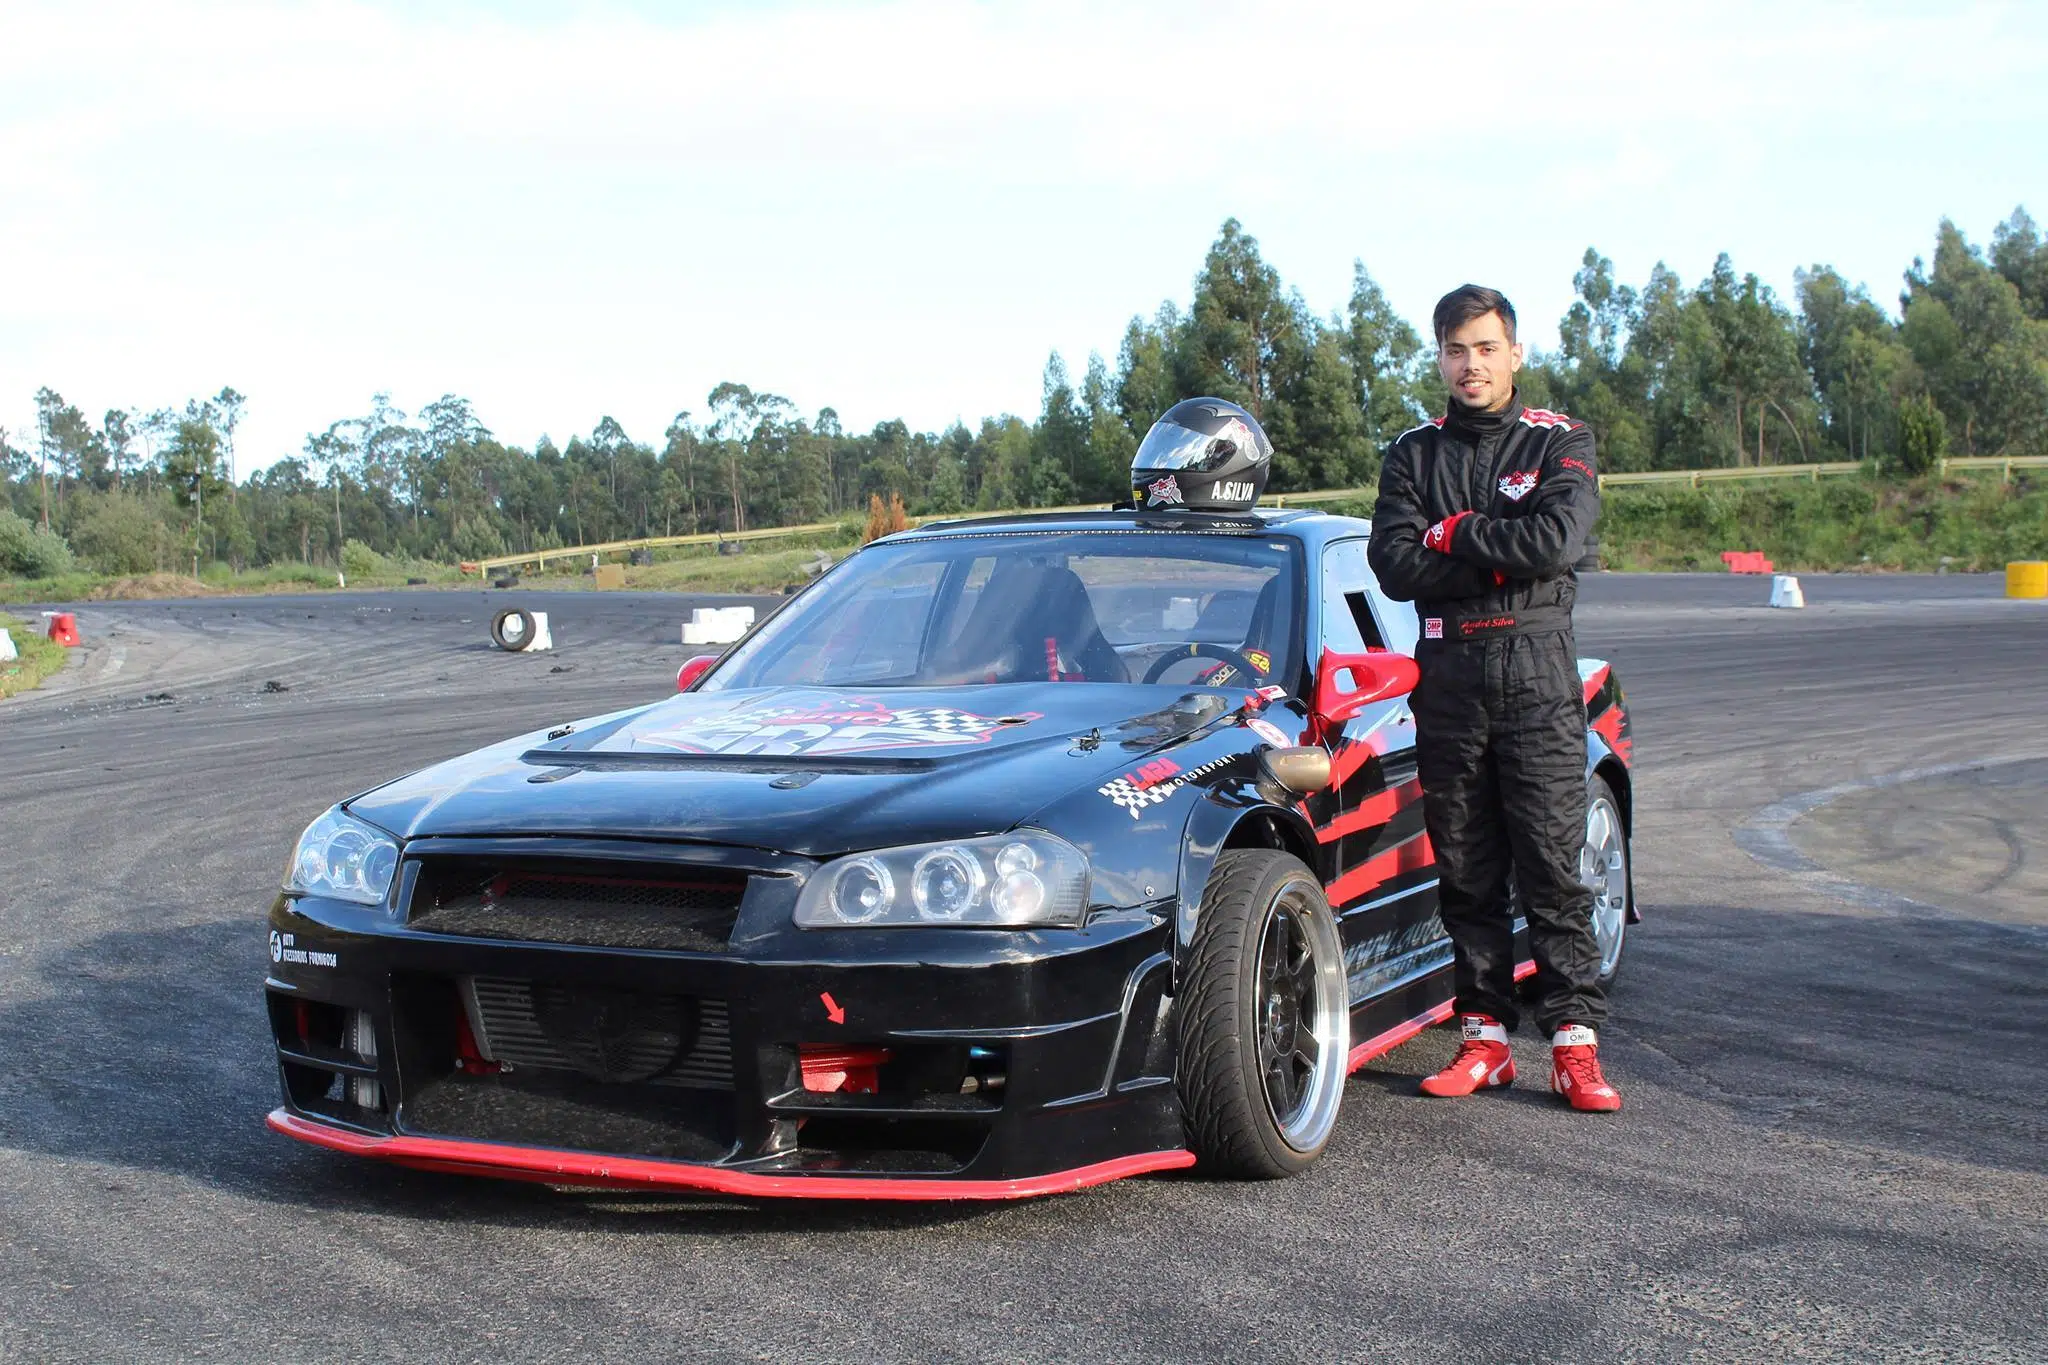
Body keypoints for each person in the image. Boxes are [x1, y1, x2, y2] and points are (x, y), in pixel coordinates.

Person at [1365, 284, 1620, 1113]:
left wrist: (1453, 533)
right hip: (1450, 678)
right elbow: (1397, 568)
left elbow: (1557, 541)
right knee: (1467, 872)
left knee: (1553, 864)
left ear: (1514, 352)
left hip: (1539, 673)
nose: (1470, 365)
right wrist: (1492, 552)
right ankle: (1485, 1041)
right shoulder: (1411, 453)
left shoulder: (1560, 439)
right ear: (1438, 358)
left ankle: (1575, 1047)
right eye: (1454, 350)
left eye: (1484, 347)